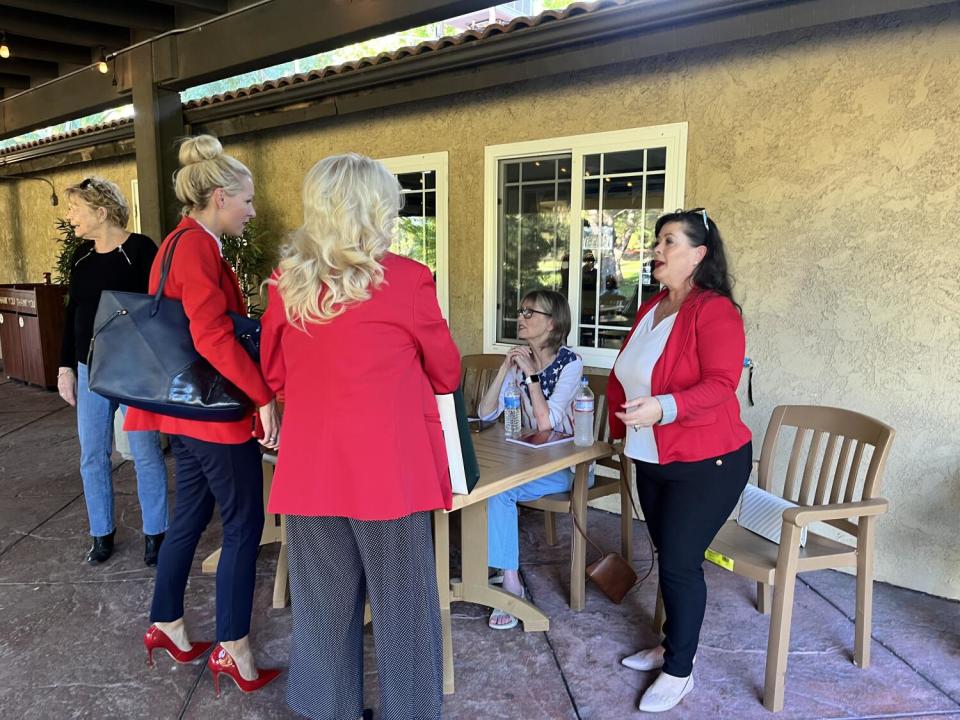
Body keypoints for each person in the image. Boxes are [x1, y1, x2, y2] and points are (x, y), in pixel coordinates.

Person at [260, 153, 461, 720]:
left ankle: (328, 711)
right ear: (378, 209)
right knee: (405, 612)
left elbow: (273, 376)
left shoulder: (285, 285)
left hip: (310, 472)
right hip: (388, 477)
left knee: (322, 610)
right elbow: (447, 373)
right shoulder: (409, 280)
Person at [126, 135, 281, 694]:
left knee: (189, 518)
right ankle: (234, 647)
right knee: (243, 523)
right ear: (220, 196)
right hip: (211, 416)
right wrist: (262, 395)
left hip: (179, 413)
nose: (252, 210)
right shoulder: (197, 247)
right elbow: (210, 335)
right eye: (247, 200)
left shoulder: (175, 243)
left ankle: (166, 620)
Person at [607, 208, 752, 713]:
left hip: (709, 460)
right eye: (656, 241)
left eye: (668, 242)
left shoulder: (715, 311)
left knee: (681, 566)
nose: (656, 251)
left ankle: (679, 670)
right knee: (669, 557)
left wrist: (664, 407)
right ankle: (671, 644)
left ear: (698, 254)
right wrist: (618, 431)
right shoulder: (653, 309)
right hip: (654, 457)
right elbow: (631, 376)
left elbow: (720, 384)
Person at [56, 176, 168, 566]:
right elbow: (73, 314)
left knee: (145, 450)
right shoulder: (81, 258)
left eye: (75, 209)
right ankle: (101, 533)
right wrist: (65, 367)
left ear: (100, 212)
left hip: (132, 369)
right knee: (92, 454)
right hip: (90, 371)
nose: (70, 216)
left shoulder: (140, 250)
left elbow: (159, 309)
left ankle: (157, 533)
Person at [476, 289, 592, 630]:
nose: (520, 318)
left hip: (566, 467)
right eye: (521, 311)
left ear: (552, 323)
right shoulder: (522, 359)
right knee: (483, 481)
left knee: (499, 489)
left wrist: (531, 377)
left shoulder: (571, 364)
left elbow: (547, 422)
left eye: (530, 313)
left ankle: (511, 583)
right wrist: (504, 368)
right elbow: (486, 414)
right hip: (526, 459)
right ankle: (496, 566)